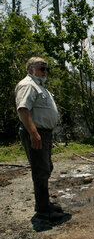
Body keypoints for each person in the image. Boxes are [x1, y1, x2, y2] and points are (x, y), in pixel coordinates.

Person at [15, 57, 64, 220]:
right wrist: (34, 133)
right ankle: (43, 210)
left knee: (46, 167)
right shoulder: (28, 85)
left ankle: (44, 204)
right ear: (31, 70)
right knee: (41, 170)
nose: (45, 72)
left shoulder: (38, 86)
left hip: (44, 133)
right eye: (42, 68)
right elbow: (23, 110)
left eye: (46, 69)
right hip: (36, 133)